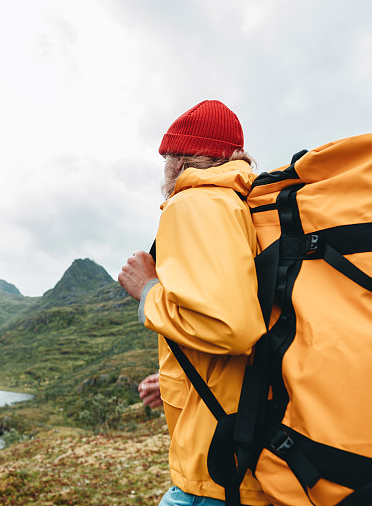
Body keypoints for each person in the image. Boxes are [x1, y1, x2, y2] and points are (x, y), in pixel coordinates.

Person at [118, 100, 269, 506]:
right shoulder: (238, 203)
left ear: (179, 158)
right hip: (238, 454)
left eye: (167, 157)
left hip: (212, 470)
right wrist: (170, 382)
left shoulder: (196, 201)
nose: (165, 169)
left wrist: (148, 290)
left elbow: (233, 329)